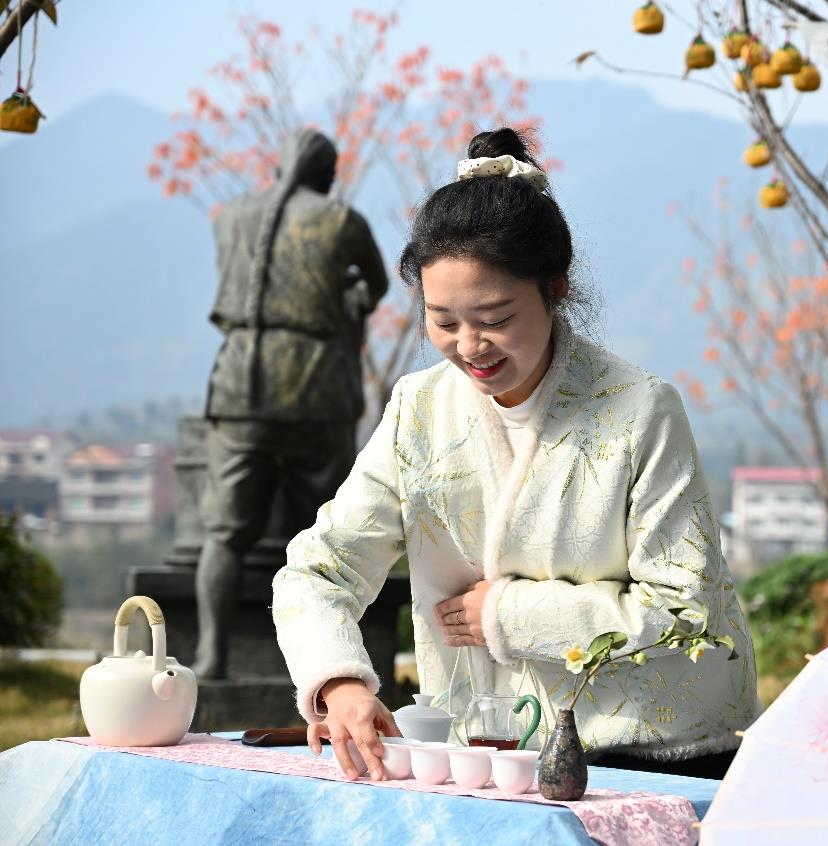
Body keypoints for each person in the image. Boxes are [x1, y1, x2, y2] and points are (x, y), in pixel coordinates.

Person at [272, 127, 760, 782]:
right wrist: (340, 685)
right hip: (488, 759)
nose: (471, 345)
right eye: (444, 320)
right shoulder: (419, 410)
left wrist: (504, 614)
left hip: (652, 754)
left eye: (495, 317)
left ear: (555, 289)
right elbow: (317, 569)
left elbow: (684, 610)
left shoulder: (641, 410)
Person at [195, 128, 388, 679]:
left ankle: (212, 653)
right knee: (328, 529)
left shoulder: (230, 215)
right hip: (315, 386)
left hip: (240, 382)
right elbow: (372, 287)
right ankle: (328, 661)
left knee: (224, 533)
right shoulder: (341, 220)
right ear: (327, 174)